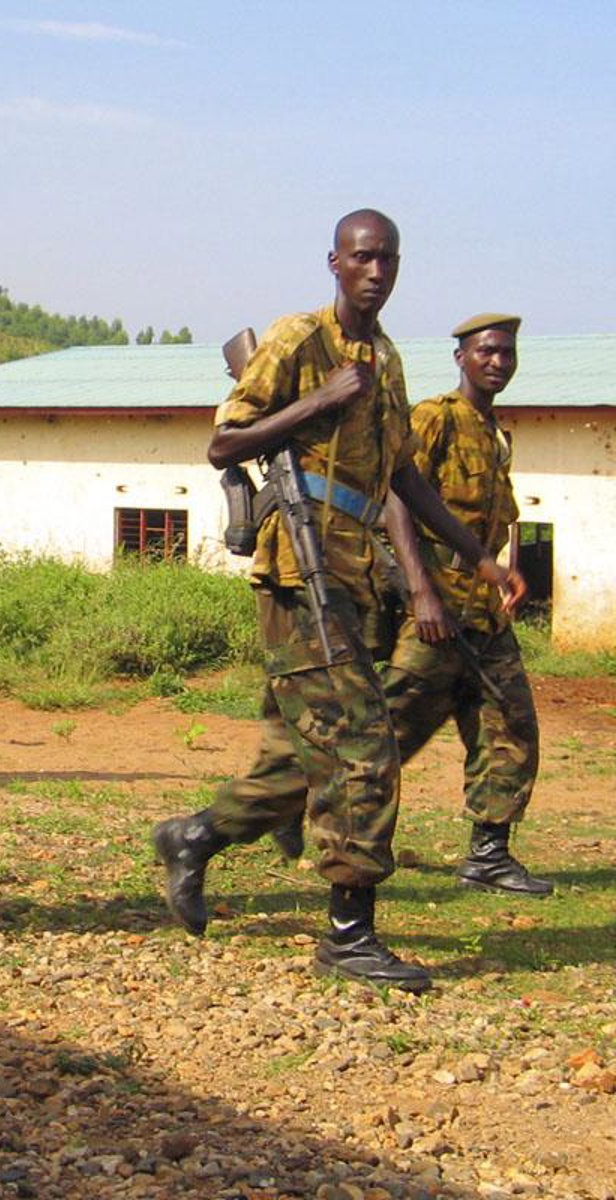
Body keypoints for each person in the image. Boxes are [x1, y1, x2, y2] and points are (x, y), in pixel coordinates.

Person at [152, 211, 526, 993]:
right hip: (298, 573)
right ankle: (349, 935)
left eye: (387, 258)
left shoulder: (386, 360)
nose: (376, 270)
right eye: (362, 257)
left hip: (350, 578)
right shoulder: (299, 339)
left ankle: (195, 837)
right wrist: (317, 401)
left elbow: (404, 479)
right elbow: (225, 443)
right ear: (335, 262)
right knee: (364, 746)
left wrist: (478, 558)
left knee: (310, 751)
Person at [381, 314, 550, 894]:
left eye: (507, 353)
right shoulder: (436, 417)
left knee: (512, 725)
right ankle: (310, 819)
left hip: (484, 613)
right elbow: (395, 498)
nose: (498, 362)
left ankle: (489, 855)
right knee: (388, 734)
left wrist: (499, 573)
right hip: (434, 609)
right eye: (486, 351)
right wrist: (421, 592)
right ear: (461, 358)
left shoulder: (495, 433)